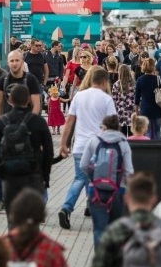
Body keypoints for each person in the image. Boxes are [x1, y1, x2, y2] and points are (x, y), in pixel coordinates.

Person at [57, 68, 117, 230]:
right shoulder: (106, 99)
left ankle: (68, 208)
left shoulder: (78, 96)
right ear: (105, 81)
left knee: (80, 178)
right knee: (97, 180)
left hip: (80, 146)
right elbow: (112, 126)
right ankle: (85, 208)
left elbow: (69, 122)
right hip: (99, 146)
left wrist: (63, 144)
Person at [0, 84, 53, 215]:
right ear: (29, 100)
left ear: (9, 100)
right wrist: (45, 176)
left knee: (13, 216)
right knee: (32, 216)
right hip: (33, 172)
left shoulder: (2, 121)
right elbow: (49, 150)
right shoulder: (38, 121)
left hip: (10, 173)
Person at [80, 114, 134, 245]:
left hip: (96, 190)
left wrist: (93, 177)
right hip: (118, 190)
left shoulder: (94, 141)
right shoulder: (123, 143)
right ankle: (113, 261)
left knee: (99, 229)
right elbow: (129, 171)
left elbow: (83, 165)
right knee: (115, 229)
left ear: (104, 127)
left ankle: (100, 261)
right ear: (118, 128)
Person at [0, 50, 41, 118]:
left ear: (22, 62)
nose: (14, 63)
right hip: (8, 124)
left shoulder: (31, 79)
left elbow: (36, 105)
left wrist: (29, 123)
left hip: (26, 123)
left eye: (17, 60)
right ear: (8, 63)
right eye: (12, 61)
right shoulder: (2, 80)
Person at [134, 58, 161, 140]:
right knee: (157, 131)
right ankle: (158, 150)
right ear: (153, 67)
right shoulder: (159, 79)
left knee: (147, 131)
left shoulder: (140, 80)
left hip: (145, 109)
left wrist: (136, 111)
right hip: (157, 108)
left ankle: (149, 150)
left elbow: (136, 97)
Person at [112, 64, 136, 136]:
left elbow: (114, 100)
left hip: (120, 113)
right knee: (132, 136)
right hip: (131, 113)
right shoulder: (134, 84)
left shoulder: (116, 84)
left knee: (122, 136)